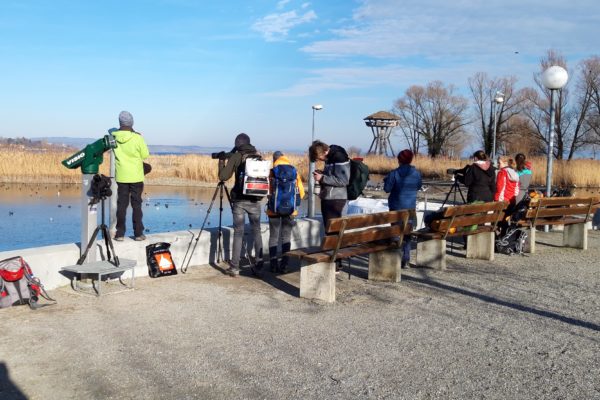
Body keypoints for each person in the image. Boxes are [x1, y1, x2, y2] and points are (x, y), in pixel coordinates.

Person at [218, 133, 264, 277]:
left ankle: (235, 267)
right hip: (255, 199)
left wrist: (221, 161)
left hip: (239, 200)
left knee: (238, 233)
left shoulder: (237, 156)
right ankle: (259, 264)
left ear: (238, 143)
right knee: (257, 231)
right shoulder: (258, 156)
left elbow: (223, 176)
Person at [112, 111, 150, 241]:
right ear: (132, 123)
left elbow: (112, 132)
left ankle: (120, 233)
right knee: (136, 205)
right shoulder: (137, 138)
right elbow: (145, 155)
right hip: (136, 176)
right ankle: (138, 233)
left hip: (122, 176)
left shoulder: (113, 136)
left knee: (122, 205)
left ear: (120, 123)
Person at [267, 151, 305, 273]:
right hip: (290, 211)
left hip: (273, 210)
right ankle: (284, 265)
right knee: (286, 237)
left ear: (274, 160)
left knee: (273, 237)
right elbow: (302, 193)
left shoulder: (272, 172)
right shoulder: (294, 172)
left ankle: (273, 264)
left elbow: (267, 191)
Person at [383, 149, 422, 268]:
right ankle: (405, 259)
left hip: (396, 206)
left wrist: (387, 180)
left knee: (395, 232)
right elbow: (418, 186)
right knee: (407, 233)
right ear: (410, 160)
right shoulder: (416, 173)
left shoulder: (394, 173)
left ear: (399, 160)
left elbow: (387, 189)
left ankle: (395, 258)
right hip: (410, 207)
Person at [309, 140, 351, 231]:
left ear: (324, 151)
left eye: (319, 158)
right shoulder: (329, 158)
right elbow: (334, 175)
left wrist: (322, 178)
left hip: (336, 201)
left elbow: (343, 180)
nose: (319, 160)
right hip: (329, 199)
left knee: (333, 233)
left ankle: (333, 246)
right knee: (330, 231)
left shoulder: (339, 158)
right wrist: (322, 173)